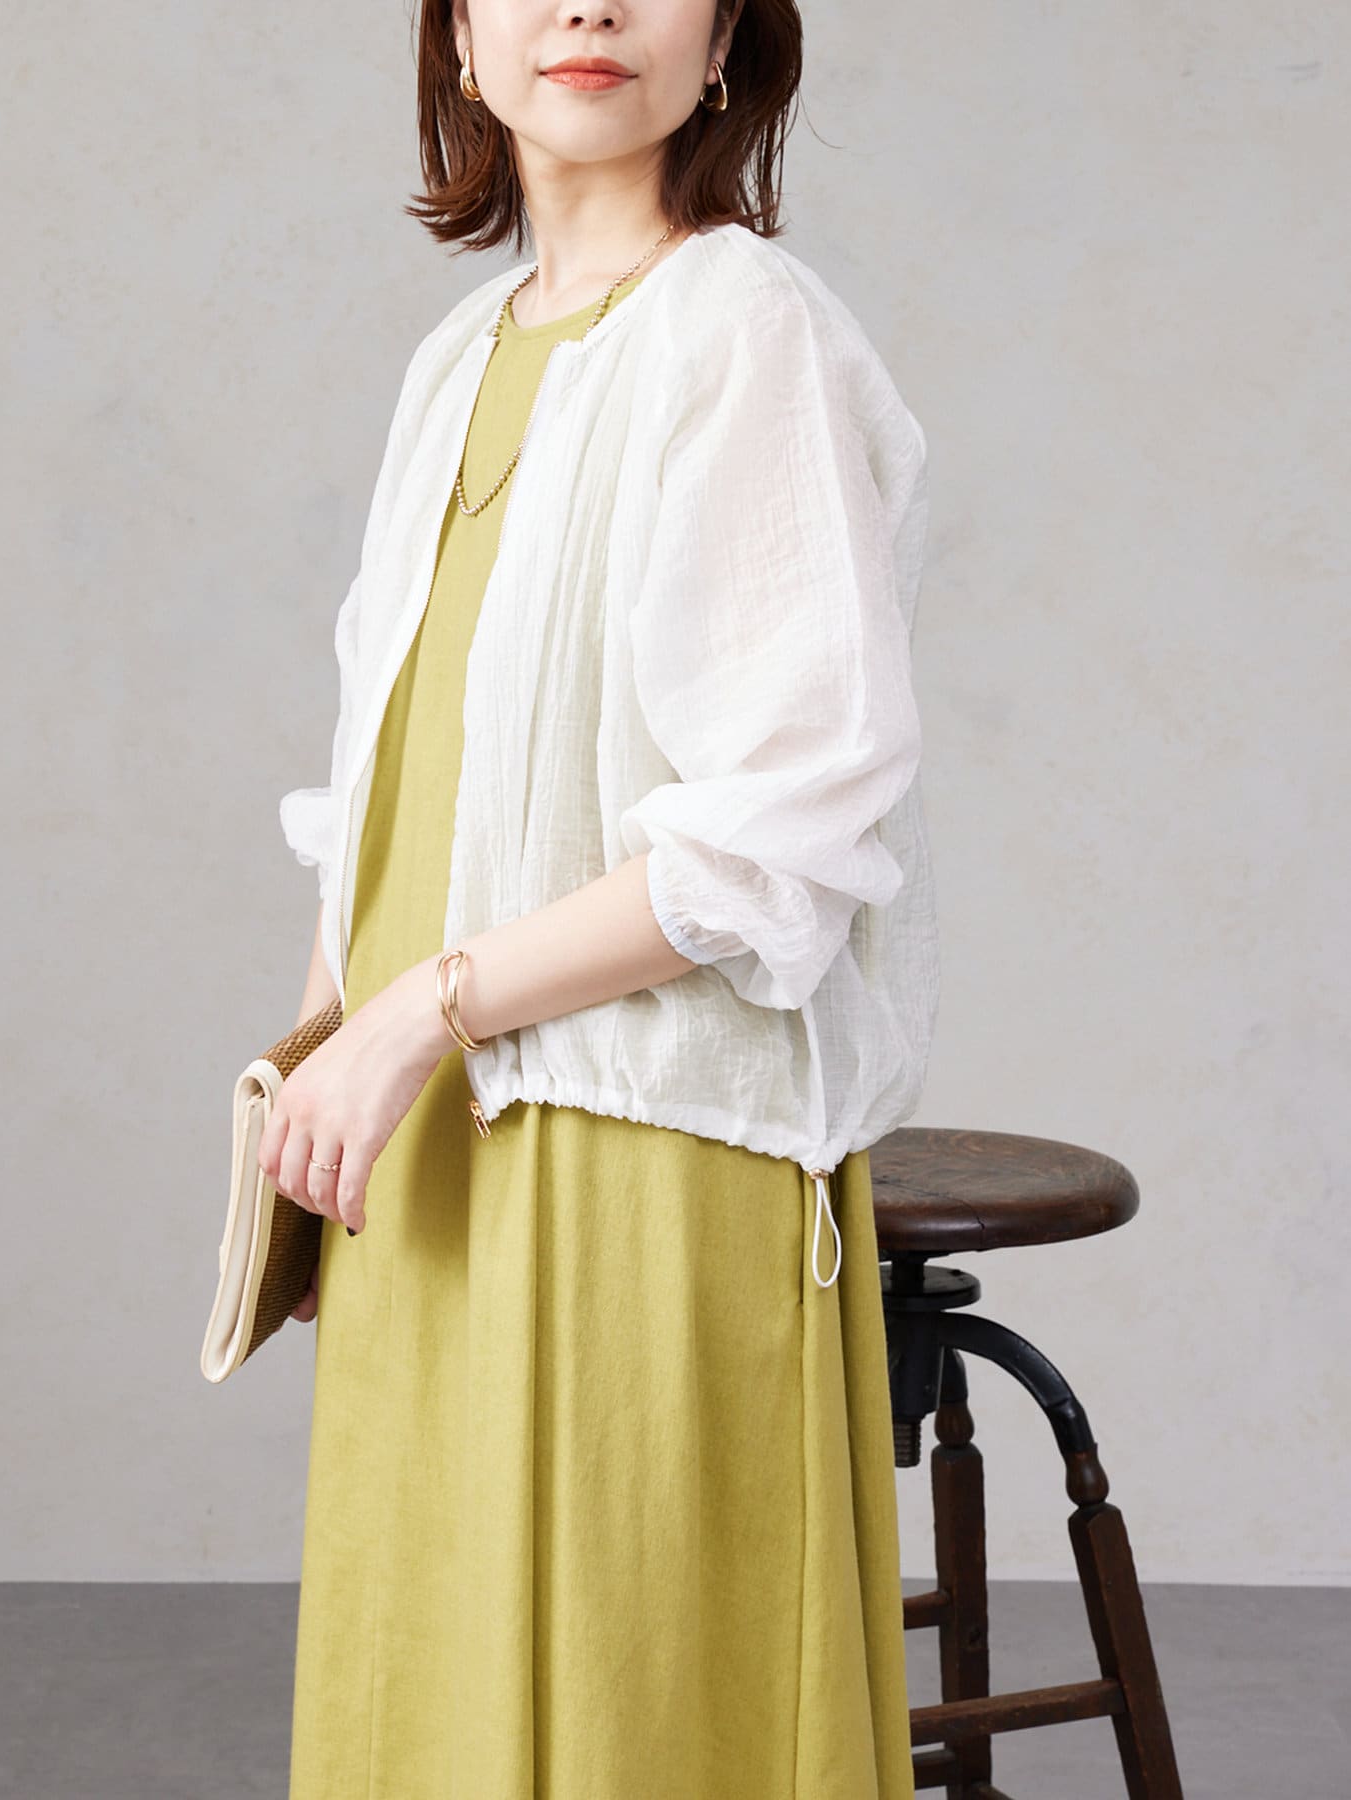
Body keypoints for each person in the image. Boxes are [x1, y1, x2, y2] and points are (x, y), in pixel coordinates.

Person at [258, 2, 936, 1794]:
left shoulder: (743, 327)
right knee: (430, 1697)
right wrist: (313, 1064)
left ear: (725, 46)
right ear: (457, 39)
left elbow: (779, 829)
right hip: (426, 1137)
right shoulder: (457, 357)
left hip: (637, 1144)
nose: (587, 7)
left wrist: (416, 1016)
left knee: (639, 1716)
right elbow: (383, 772)